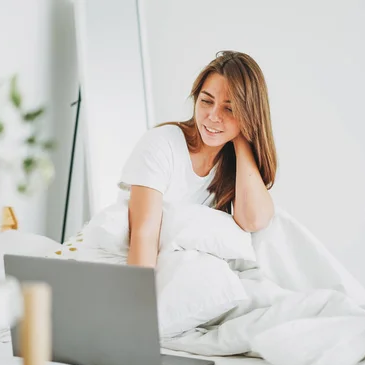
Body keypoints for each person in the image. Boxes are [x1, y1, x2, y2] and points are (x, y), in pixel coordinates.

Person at [118, 51, 278, 268]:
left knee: (280, 227)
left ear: (250, 115)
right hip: (132, 266)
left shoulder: (233, 165)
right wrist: (139, 298)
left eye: (229, 109)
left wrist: (241, 141)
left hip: (182, 273)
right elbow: (143, 234)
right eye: (206, 101)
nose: (213, 116)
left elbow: (254, 220)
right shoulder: (162, 144)